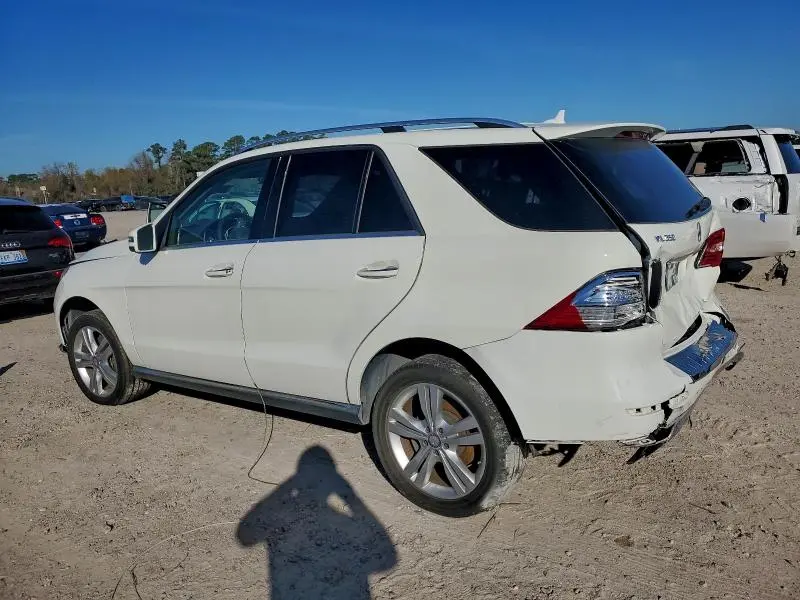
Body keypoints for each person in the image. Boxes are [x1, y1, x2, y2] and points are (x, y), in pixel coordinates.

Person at [237, 445, 397, 599]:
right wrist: (350, 496)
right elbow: (388, 559)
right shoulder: (344, 523)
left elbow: (245, 535)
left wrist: (289, 484)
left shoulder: (288, 515)